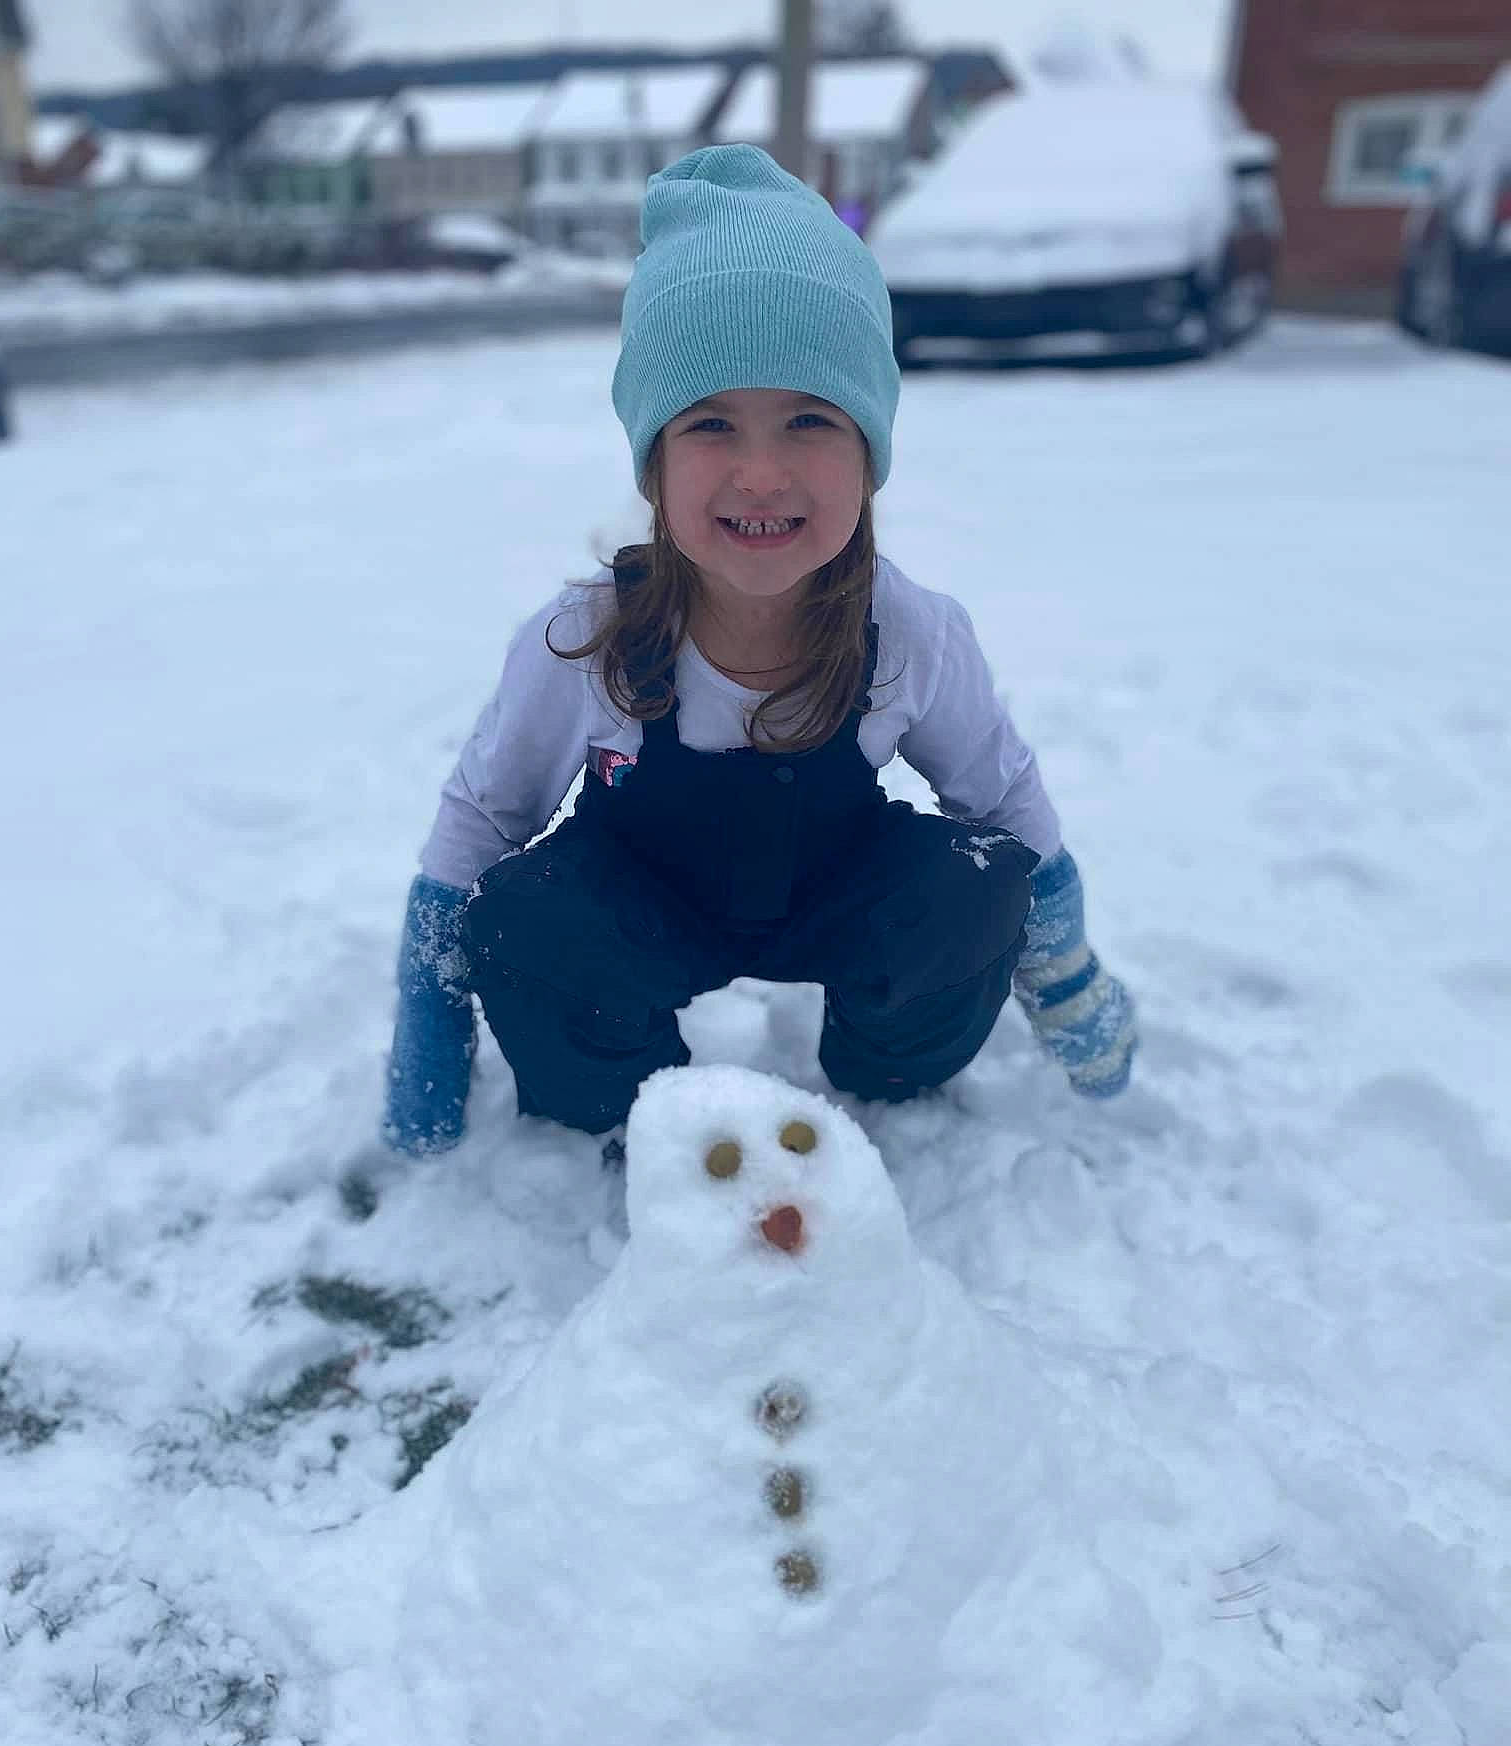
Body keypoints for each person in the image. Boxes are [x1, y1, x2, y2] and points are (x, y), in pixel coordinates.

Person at [382, 146, 1135, 1157]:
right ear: (654, 461)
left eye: (810, 417)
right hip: (638, 907)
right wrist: (429, 1030)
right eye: (711, 424)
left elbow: (1003, 804)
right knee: (524, 916)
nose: (762, 471)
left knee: (972, 884)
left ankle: (888, 1067)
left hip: (836, 894)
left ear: (870, 450)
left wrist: (1067, 973)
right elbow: (479, 824)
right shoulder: (585, 641)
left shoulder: (910, 633)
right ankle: (627, 1100)